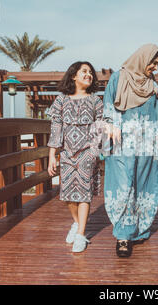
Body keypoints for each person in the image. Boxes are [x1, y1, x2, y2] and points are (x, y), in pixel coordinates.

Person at [103, 43, 158, 257]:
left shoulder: (153, 85)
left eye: (157, 65)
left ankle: (138, 231)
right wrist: (111, 124)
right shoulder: (118, 78)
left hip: (147, 144)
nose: (154, 68)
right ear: (142, 58)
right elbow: (108, 105)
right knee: (123, 185)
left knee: (144, 184)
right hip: (122, 143)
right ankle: (123, 235)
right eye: (153, 63)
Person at [47, 61, 105, 253]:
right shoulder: (61, 100)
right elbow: (55, 128)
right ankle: (76, 223)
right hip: (66, 153)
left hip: (87, 152)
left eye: (91, 72)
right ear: (74, 75)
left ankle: (81, 234)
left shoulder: (96, 101)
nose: (88, 75)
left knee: (84, 194)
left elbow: (99, 127)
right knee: (68, 196)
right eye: (84, 71)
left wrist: (94, 152)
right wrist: (52, 156)